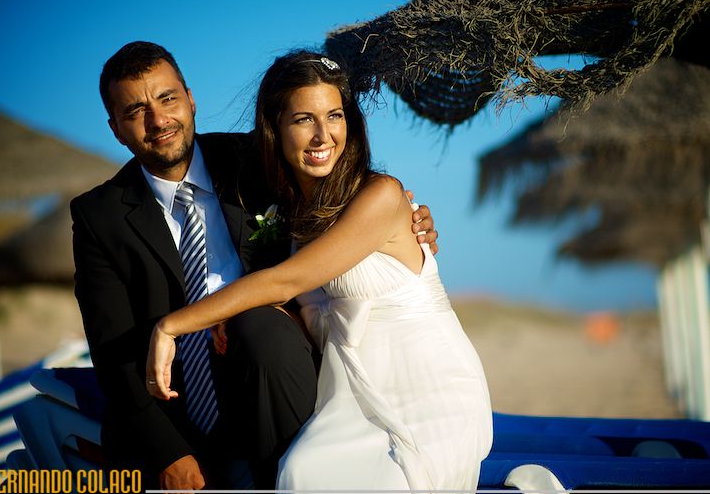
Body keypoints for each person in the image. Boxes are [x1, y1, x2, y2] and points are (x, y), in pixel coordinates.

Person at [71, 41, 438, 491]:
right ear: (116, 129)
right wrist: (168, 451)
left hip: (278, 377)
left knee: (260, 326)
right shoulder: (99, 216)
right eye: (135, 110)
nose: (159, 120)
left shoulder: (259, 160)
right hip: (173, 413)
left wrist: (411, 221)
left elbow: (345, 201)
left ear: (190, 99)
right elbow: (113, 353)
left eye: (168, 99)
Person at [147, 50, 493, 491]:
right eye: (303, 119)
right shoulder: (295, 218)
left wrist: (171, 327)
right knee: (300, 474)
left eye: (334, 116)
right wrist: (248, 315)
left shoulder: (382, 196)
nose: (322, 135)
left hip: (428, 393)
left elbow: (285, 280)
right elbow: (307, 302)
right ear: (274, 129)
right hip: (349, 398)